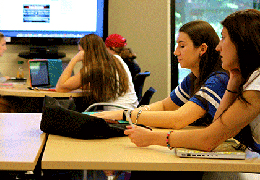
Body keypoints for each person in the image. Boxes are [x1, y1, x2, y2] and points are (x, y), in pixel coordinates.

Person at [125, 9, 260, 158]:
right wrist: (233, 81)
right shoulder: (244, 78)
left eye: (223, 38)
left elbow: (208, 139)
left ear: (241, 43)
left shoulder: (256, 84)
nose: (218, 47)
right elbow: (218, 126)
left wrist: (152, 137)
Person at [95, 20, 229, 129]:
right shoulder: (193, 78)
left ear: (202, 49)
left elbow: (177, 119)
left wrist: (125, 115)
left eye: (182, 46)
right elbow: (165, 106)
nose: (176, 52)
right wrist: (133, 113)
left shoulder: (218, 81)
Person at [55, 33, 138, 110]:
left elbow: (60, 88)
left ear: (86, 52)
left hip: (116, 111)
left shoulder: (94, 66)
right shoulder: (116, 59)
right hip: (131, 109)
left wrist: (74, 60)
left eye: (80, 51)